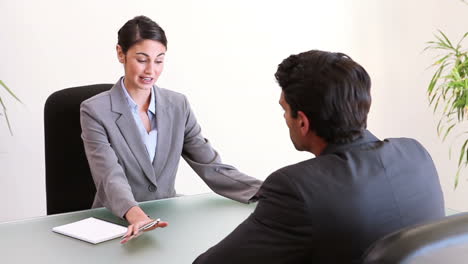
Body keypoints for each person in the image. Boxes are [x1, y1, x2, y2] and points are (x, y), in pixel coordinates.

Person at [193, 50, 445, 263]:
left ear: (302, 121)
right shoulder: (415, 154)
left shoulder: (296, 188)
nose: (284, 118)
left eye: (285, 109)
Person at [79, 16, 262, 243]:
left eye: (159, 60)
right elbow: (109, 175)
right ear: (120, 54)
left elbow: (211, 165)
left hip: (165, 220)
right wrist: (137, 216)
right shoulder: (95, 110)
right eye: (142, 59)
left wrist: (265, 191)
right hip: (116, 224)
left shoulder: (178, 105)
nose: (151, 70)